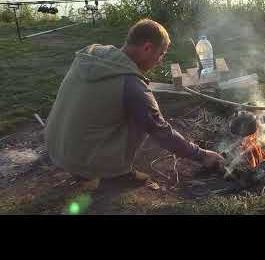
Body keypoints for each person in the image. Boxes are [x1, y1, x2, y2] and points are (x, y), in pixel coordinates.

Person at [45, 18, 224, 187]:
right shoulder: (131, 85)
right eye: (161, 54)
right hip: (83, 162)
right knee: (144, 118)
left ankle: (87, 164)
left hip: (56, 146)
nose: (160, 61)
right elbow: (161, 131)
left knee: (134, 110)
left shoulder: (93, 54)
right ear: (147, 48)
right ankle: (115, 173)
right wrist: (202, 155)